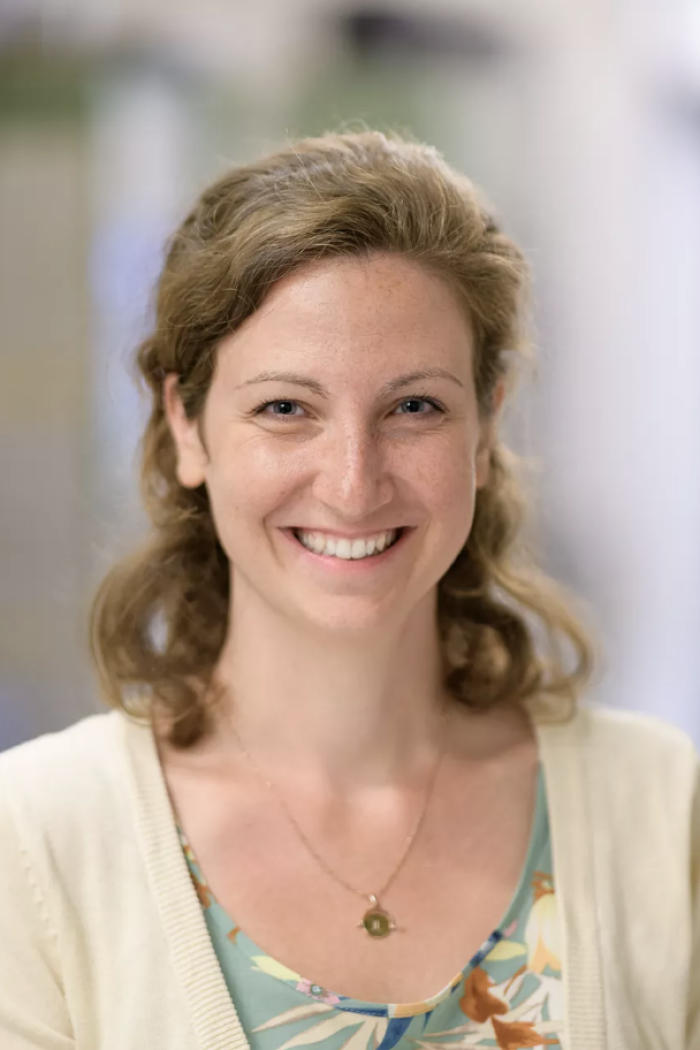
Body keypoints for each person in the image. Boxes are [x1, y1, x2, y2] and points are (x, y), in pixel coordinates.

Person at [0, 130, 698, 1050]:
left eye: (414, 407)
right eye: (286, 408)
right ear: (187, 425)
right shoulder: (31, 845)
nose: (352, 483)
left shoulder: (664, 809)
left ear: (484, 426)